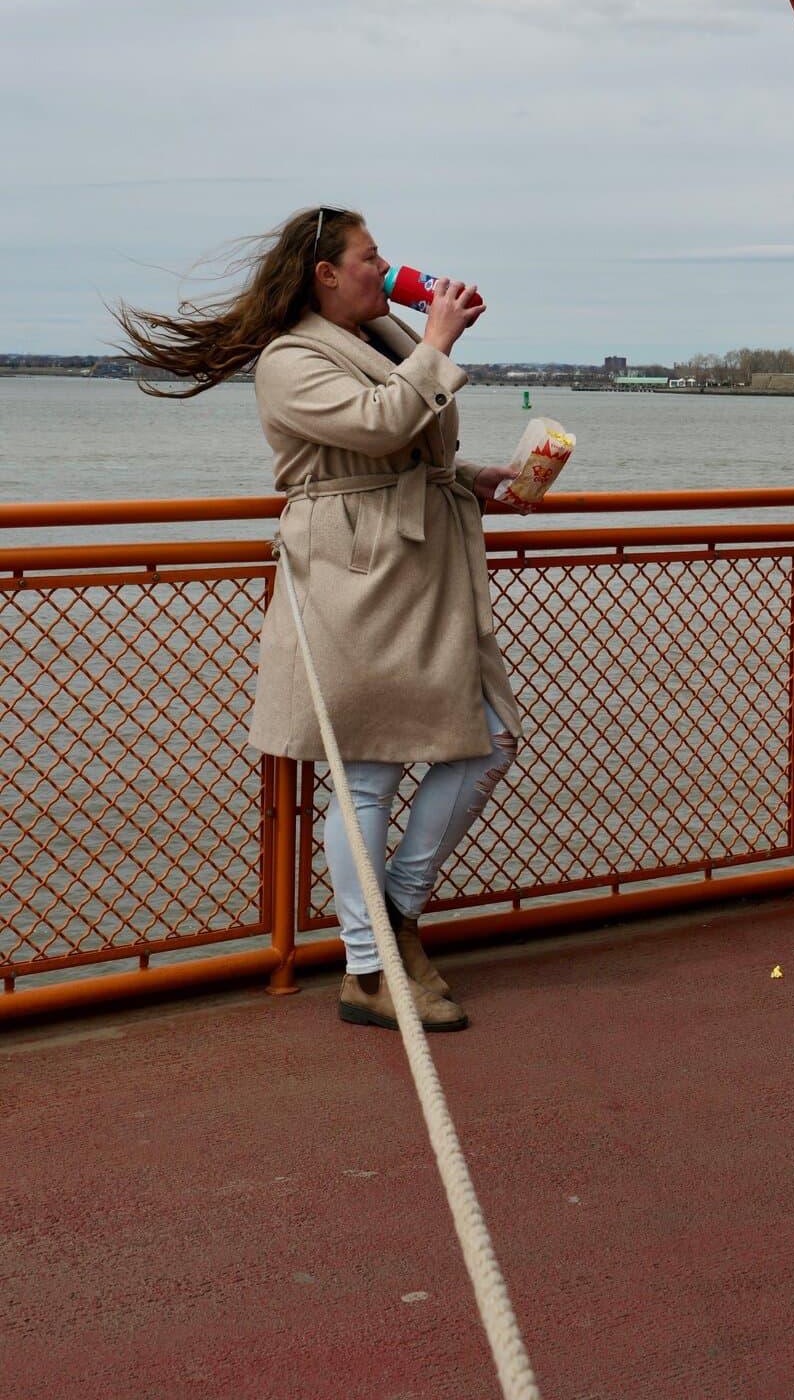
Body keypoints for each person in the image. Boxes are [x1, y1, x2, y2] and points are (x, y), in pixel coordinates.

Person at [117, 205, 524, 1033]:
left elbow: (411, 442)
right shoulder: (290, 358)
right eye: (370, 258)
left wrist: (474, 476)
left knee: (491, 739)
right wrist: (439, 341)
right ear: (326, 275)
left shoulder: (382, 338)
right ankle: (369, 967)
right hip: (354, 574)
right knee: (366, 771)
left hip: (420, 566)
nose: (388, 269)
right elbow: (373, 431)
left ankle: (398, 913)